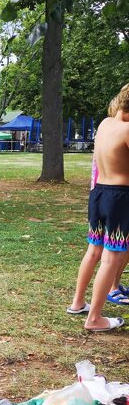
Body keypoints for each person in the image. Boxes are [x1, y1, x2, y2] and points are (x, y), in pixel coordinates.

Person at [67, 84, 129, 331]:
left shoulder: (104, 124)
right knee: (111, 258)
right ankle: (94, 319)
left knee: (93, 251)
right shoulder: (127, 130)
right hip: (120, 197)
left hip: (99, 193)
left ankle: (78, 303)